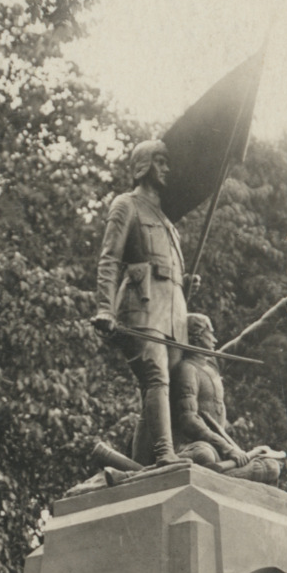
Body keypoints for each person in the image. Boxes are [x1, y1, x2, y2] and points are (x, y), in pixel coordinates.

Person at [92, 139, 187, 467]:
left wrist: (188, 284)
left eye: (166, 163)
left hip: (173, 316)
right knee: (155, 376)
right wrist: (104, 307)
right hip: (139, 307)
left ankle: (139, 467)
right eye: (159, 162)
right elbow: (109, 259)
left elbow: (170, 272)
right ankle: (165, 455)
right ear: (143, 165)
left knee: (164, 387)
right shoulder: (126, 204)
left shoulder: (168, 221)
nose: (166, 169)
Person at [169, 296, 287, 481]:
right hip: (194, 446)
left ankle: (221, 475)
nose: (214, 339)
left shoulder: (213, 364)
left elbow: (246, 340)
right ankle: (223, 475)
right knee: (204, 454)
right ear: (197, 335)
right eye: (210, 333)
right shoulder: (186, 369)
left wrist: (280, 310)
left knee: (271, 467)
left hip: (220, 448)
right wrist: (227, 448)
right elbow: (189, 420)